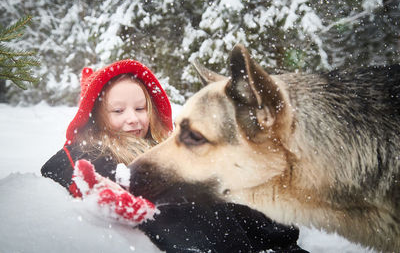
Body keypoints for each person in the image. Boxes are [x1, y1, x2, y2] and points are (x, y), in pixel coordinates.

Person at [41, 59, 307, 253]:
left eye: (140, 108)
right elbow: (64, 165)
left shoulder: (162, 146)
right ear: (97, 117)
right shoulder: (91, 149)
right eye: (118, 111)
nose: (133, 119)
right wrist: (98, 188)